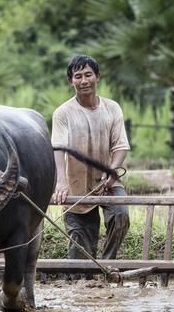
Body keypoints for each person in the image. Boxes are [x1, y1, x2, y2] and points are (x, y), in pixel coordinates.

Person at [51, 54, 131, 260]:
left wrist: (111, 172)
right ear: (71, 81)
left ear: (98, 77)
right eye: (78, 76)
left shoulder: (112, 108)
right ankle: (83, 278)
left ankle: (107, 264)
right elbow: (58, 148)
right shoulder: (63, 113)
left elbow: (121, 146)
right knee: (79, 246)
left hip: (108, 181)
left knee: (120, 215)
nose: (84, 80)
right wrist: (61, 182)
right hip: (75, 183)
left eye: (88, 74)